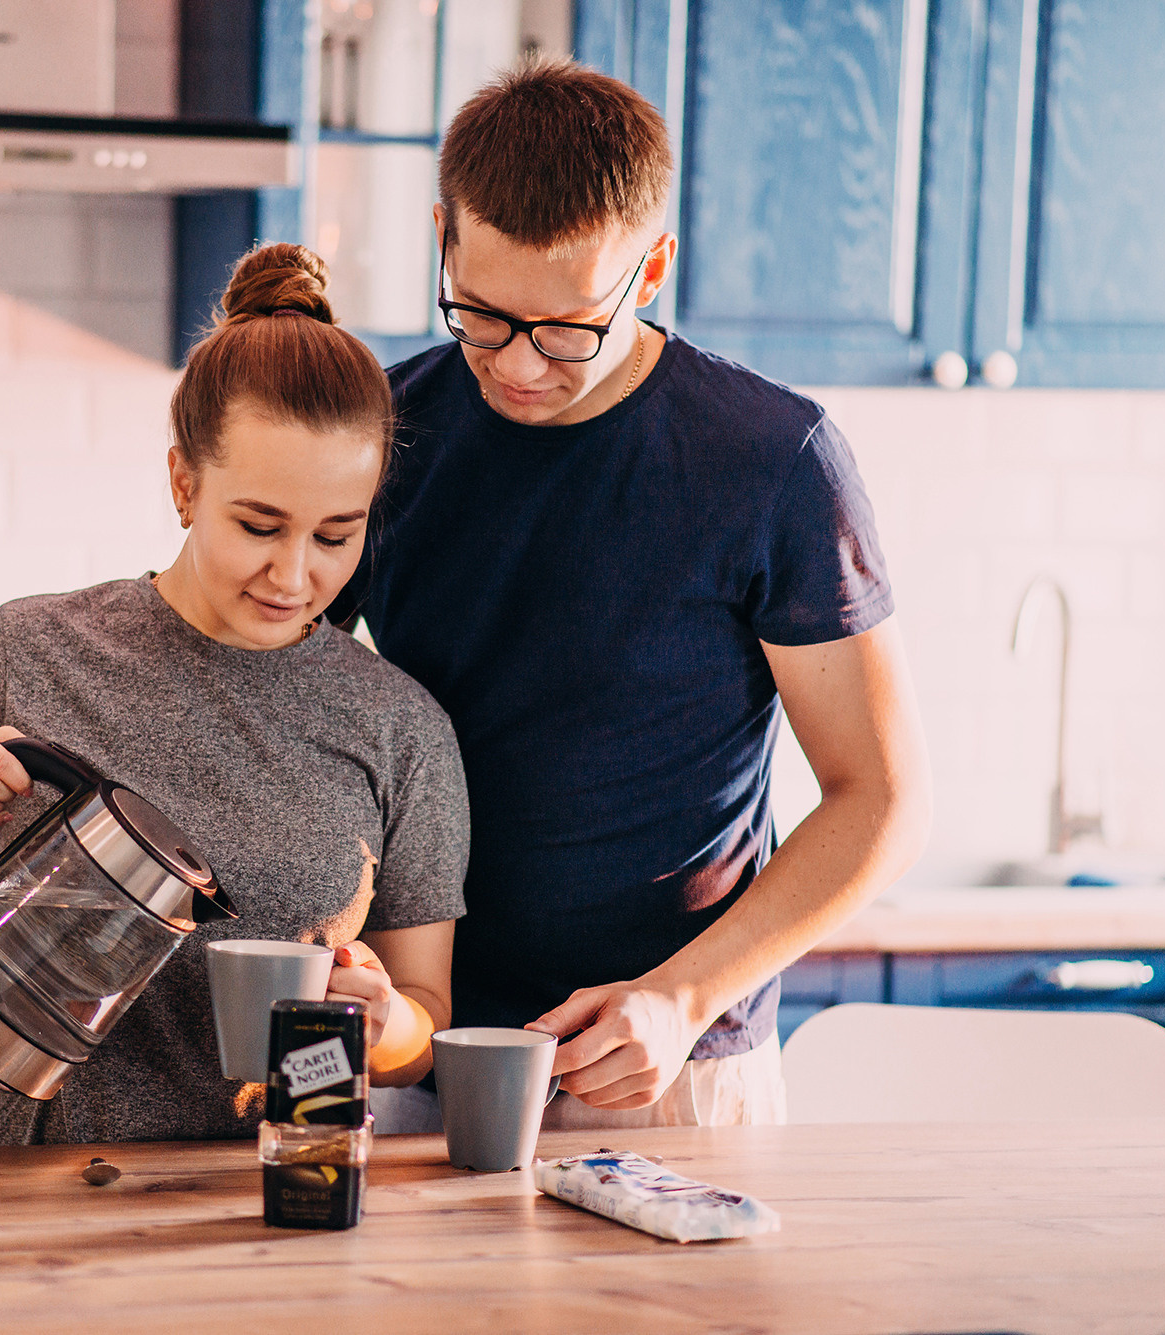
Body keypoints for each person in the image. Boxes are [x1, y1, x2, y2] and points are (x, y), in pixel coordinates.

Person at [330, 61, 932, 1129]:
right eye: (478, 313)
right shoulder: (385, 435)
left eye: (563, 328)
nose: (515, 365)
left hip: (666, 1067)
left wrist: (681, 998)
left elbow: (878, 798)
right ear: (441, 238)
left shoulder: (771, 460)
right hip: (416, 1052)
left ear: (648, 267)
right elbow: (253, 698)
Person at [0, 244, 469, 1145]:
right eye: (259, 525)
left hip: (278, 1212)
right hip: (36, 1208)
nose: (294, 573)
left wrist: (387, 1021)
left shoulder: (401, 730)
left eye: (335, 535)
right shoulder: (33, 649)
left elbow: (426, 1024)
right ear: (183, 484)